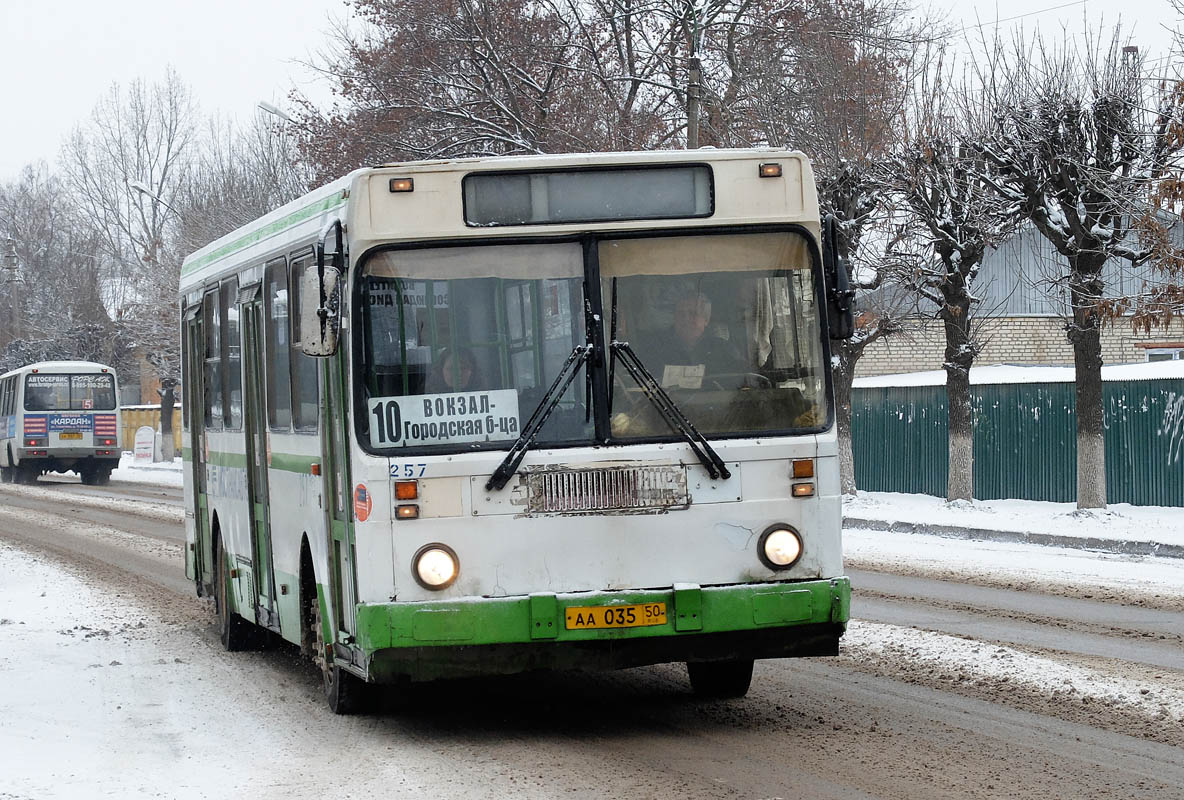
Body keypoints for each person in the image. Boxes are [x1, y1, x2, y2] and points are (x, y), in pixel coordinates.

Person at [642, 291, 745, 388]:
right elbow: (647, 379)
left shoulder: (724, 350)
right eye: (681, 314)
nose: (686, 319)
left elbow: (739, 383)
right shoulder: (656, 349)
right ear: (675, 318)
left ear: (706, 319)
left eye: (693, 313)